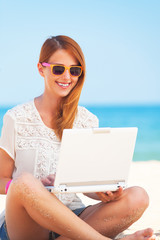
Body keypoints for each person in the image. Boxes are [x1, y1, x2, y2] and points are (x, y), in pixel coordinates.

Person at [0, 35, 156, 240]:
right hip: (27, 221)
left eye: (74, 70)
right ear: (41, 69)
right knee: (25, 182)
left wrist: (103, 193)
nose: (67, 77)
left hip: (74, 218)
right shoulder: (17, 118)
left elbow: (86, 185)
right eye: (58, 69)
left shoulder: (87, 120)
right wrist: (33, 186)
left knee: (138, 196)